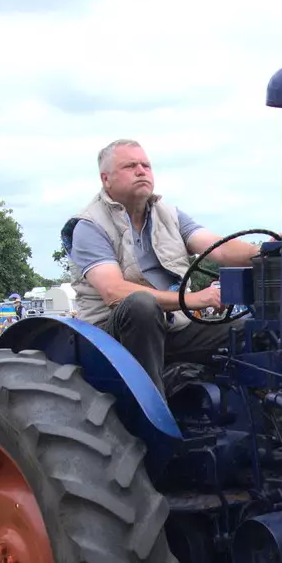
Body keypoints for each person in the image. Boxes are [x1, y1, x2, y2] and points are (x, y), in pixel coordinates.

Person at [62, 139, 262, 391]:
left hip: (173, 328)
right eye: (130, 166)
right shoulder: (90, 225)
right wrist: (194, 299)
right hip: (112, 338)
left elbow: (219, 248)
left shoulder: (169, 215)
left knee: (255, 330)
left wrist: (267, 251)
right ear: (106, 179)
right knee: (141, 305)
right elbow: (113, 292)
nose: (141, 171)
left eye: (146, 165)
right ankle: (154, 414)